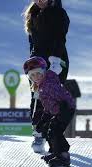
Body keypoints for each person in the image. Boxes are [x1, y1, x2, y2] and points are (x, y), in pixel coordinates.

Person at [23, 0, 70, 153]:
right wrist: (32, 64)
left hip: (56, 62)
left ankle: (54, 139)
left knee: (51, 98)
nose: (40, 1)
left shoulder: (59, 13)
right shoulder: (33, 13)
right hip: (38, 64)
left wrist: (55, 61)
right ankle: (38, 133)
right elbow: (33, 44)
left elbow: (60, 40)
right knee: (36, 96)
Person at [23, 56, 76, 167]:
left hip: (65, 109)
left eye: (38, 73)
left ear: (43, 72)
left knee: (54, 131)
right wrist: (43, 120)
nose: (35, 77)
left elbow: (60, 97)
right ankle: (55, 152)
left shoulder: (48, 85)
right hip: (59, 110)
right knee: (48, 128)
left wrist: (63, 109)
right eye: (32, 75)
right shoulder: (42, 85)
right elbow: (48, 106)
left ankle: (63, 157)